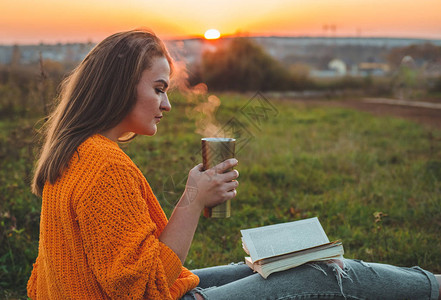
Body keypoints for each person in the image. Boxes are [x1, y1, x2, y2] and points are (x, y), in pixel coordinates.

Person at [28, 28, 440, 300]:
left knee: (262, 267)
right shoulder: (104, 166)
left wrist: (195, 197)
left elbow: (115, 267)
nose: (167, 104)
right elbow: (139, 287)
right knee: (323, 274)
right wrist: (192, 201)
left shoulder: (76, 151)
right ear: (119, 87)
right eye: (158, 89)